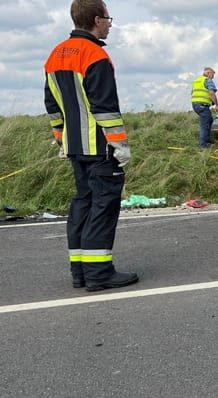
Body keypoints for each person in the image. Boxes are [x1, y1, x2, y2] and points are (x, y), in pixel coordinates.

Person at [44, 0, 138, 292]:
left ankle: (80, 272)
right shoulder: (94, 55)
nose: (110, 23)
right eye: (109, 18)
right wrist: (119, 146)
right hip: (100, 149)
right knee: (102, 208)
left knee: (82, 205)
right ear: (97, 20)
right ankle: (98, 273)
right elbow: (105, 108)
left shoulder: (55, 55)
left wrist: (61, 139)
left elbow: (52, 106)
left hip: (75, 148)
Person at [191, 67, 218, 149]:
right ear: (208, 73)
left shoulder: (196, 81)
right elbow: (211, 93)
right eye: (212, 74)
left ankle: (209, 139)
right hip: (202, 105)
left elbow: (193, 93)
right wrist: (217, 105)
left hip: (195, 105)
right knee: (205, 125)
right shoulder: (208, 80)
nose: (213, 77)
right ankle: (203, 145)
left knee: (209, 120)